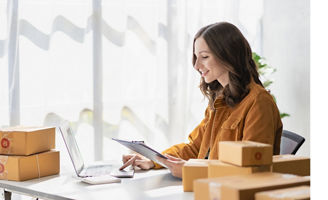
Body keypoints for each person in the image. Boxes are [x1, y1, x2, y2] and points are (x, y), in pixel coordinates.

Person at [121, 22, 283, 178]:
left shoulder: (259, 102)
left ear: (228, 56)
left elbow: (252, 167)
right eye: (196, 57)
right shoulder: (220, 101)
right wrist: (154, 160)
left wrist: (190, 171)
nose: (197, 65)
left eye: (204, 57)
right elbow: (195, 147)